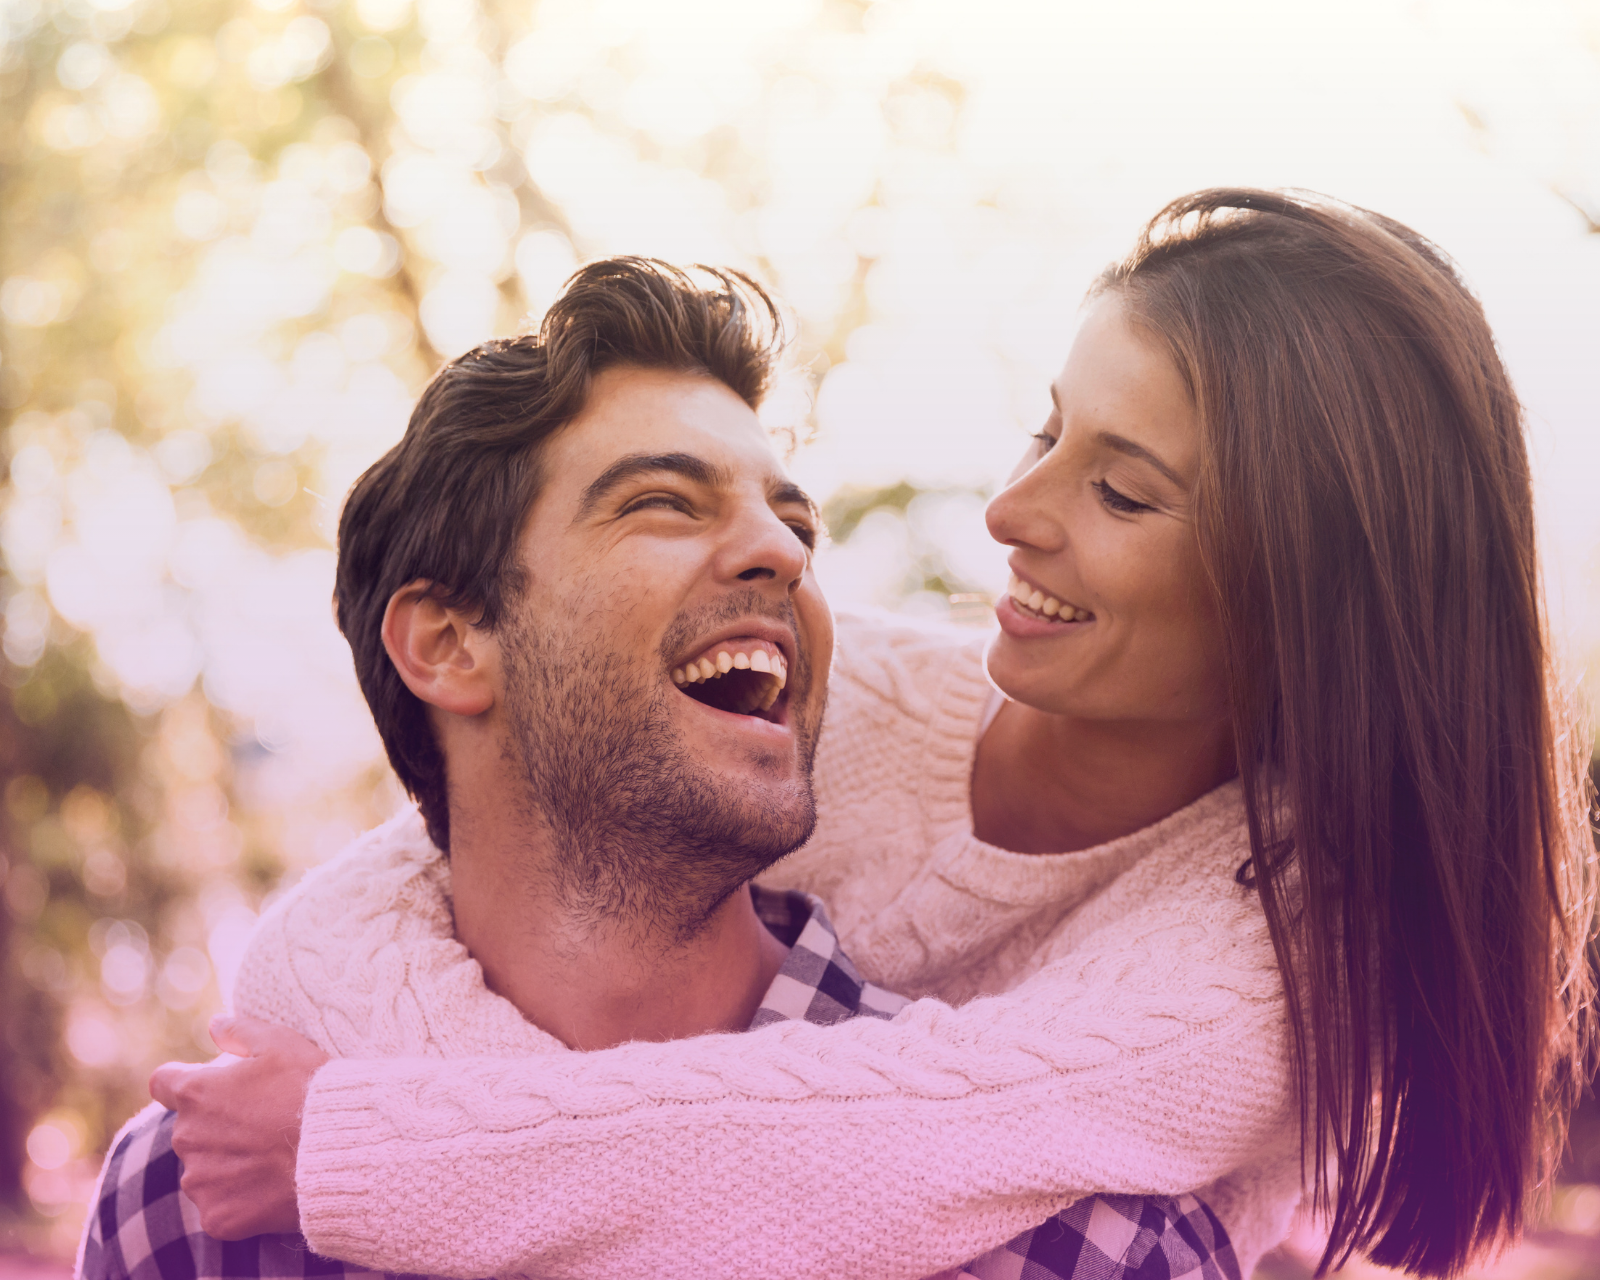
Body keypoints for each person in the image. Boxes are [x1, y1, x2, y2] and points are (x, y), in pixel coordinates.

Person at [148, 192, 1598, 1280]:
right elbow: (410, 881)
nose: (1012, 514)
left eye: (1126, 493)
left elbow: (893, 1145)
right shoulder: (820, 702)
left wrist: (363, 1153)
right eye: (1049, 434)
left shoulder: (1269, 961)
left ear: (1303, 603)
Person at [80, 259, 1239, 1280]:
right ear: (447, 642)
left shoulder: (1086, 1241)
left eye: (795, 521)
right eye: (664, 502)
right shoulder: (197, 1210)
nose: (784, 550)